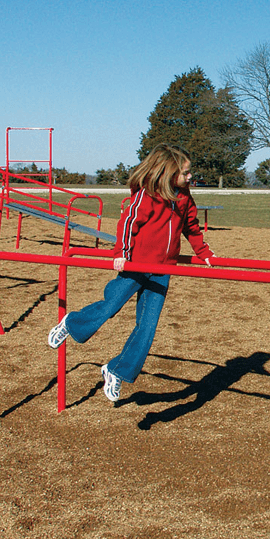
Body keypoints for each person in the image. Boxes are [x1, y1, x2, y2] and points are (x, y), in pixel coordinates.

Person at [46, 144, 214, 403]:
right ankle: (71, 323)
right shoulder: (147, 195)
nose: (190, 177)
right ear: (168, 173)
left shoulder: (184, 198)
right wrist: (120, 253)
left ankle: (116, 370)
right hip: (135, 265)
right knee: (110, 306)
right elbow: (128, 222)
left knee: (147, 328)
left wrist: (204, 252)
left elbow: (191, 228)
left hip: (162, 270)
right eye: (185, 172)